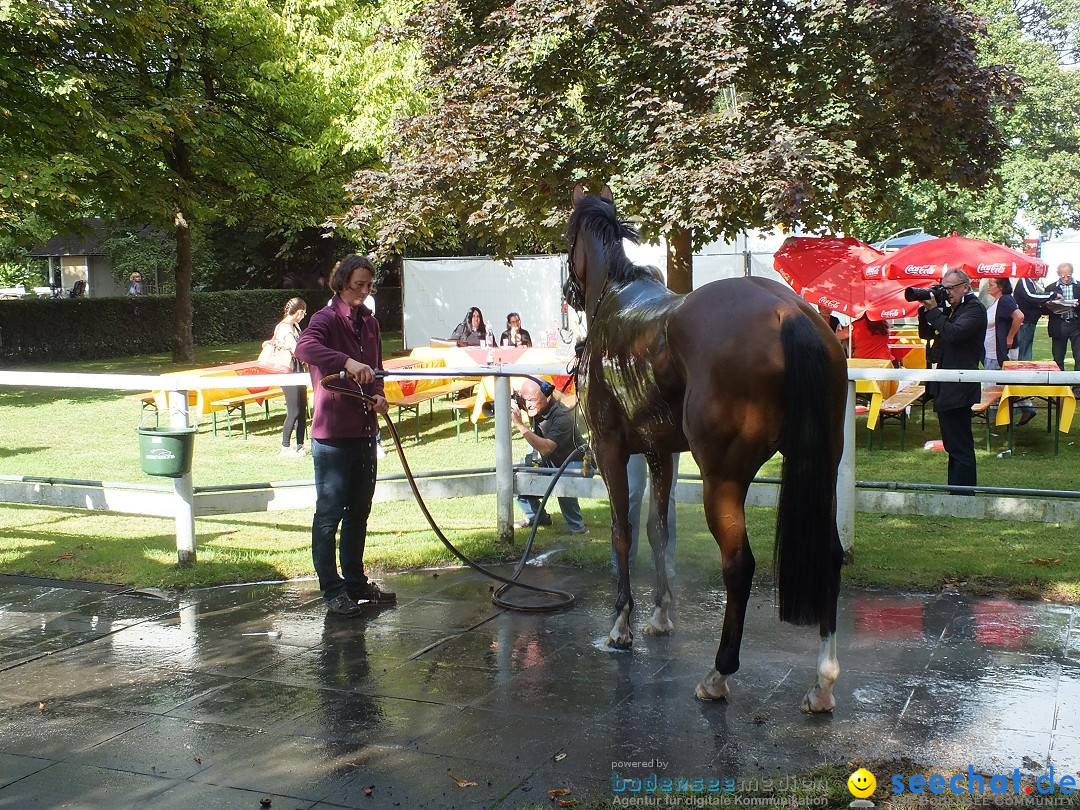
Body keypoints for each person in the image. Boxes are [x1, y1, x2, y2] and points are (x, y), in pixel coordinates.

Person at [294, 254, 394, 617]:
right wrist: (346, 361)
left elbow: (378, 370)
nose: (365, 293)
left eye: (369, 286)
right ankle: (332, 589)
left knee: (359, 512)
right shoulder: (324, 318)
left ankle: (354, 582)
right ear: (341, 284)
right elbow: (304, 348)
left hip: (365, 432)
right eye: (358, 286)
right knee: (329, 513)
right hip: (333, 435)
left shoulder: (370, 323)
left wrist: (380, 397)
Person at [918, 270, 986, 493]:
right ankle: (956, 491)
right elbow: (927, 335)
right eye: (943, 288)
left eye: (950, 288)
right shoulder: (954, 309)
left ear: (965, 287)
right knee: (952, 443)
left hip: (960, 384)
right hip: (947, 383)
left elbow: (954, 334)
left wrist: (934, 310)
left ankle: (963, 494)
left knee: (960, 444)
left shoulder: (974, 309)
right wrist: (926, 311)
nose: (946, 293)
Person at [510, 379, 587, 535]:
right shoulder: (535, 408)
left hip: (578, 463)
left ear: (547, 397)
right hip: (552, 463)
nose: (527, 404)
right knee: (515, 474)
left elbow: (545, 449)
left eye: (532, 400)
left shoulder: (562, 417)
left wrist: (519, 424)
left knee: (562, 478)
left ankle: (576, 526)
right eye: (524, 400)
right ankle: (537, 518)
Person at [611, 453, 679, 578]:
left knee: (665, 496)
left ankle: (664, 561)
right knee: (632, 490)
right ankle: (623, 561)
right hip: (634, 437)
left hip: (668, 439)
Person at [983, 279, 1035, 426]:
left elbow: (1019, 316)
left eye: (991, 284)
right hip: (993, 350)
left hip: (1000, 351)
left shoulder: (1005, 300)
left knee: (995, 383)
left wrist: (1010, 336)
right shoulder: (997, 301)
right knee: (1007, 381)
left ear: (1000, 287)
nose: (988, 287)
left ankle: (995, 418)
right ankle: (1024, 409)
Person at [274, 297, 309, 456]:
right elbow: (297, 350)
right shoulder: (284, 328)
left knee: (302, 409)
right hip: (288, 372)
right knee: (294, 410)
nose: (304, 315)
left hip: (298, 370)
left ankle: (300, 445)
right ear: (299, 312)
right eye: (304, 312)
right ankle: (285, 446)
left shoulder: (295, 326)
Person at [1045, 262, 1080, 379]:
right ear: (1058, 275)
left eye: (1068, 275)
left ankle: (1077, 388)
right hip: (1059, 325)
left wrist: (1076, 305)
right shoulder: (1051, 288)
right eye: (1062, 276)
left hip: (1076, 324)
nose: (1065, 279)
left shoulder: (1079, 286)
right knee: (1058, 357)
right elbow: (1043, 308)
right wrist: (1051, 305)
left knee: (1079, 357)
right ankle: (1060, 386)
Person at [1014, 277, 1055, 361]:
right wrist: (1052, 295)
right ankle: (1022, 371)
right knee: (1023, 350)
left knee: (1026, 348)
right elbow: (1031, 295)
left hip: (1030, 320)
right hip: (1025, 321)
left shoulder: (1031, 282)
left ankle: (1025, 368)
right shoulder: (1024, 280)